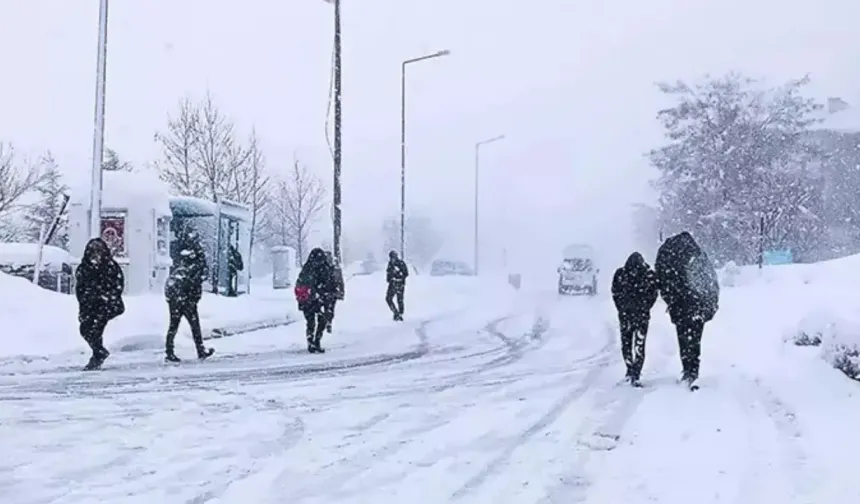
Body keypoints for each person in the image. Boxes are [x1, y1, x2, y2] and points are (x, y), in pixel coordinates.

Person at [654, 231, 720, 390]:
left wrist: (671, 300)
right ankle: (693, 370)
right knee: (695, 339)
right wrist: (711, 305)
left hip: (680, 307)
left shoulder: (669, 257)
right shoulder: (698, 255)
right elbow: (711, 281)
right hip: (699, 306)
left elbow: (662, 282)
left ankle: (687, 368)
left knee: (684, 338)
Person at [75, 237, 125, 370]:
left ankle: (97, 356)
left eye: (98, 252)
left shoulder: (111, 267)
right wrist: (83, 305)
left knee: (96, 329)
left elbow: (118, 286)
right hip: (89, 305)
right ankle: (99, 352)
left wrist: (108, 298)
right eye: (93, 252)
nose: (95, 256)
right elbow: (79, 289)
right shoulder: (83, 268)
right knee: (85, 329)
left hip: (106, 305)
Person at [164, 230, 214, 362]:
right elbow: (200, 276)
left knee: (174, 324)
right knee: (194, 325)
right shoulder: (196, 259)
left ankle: (169, 351)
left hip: (177, 296)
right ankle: (200, 350)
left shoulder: (181, 254)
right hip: (187, 297)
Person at [611, 252, 658, 387]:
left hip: (625, 316)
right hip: (641, 316)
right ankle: (636, 372)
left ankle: (630, 368)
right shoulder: (649, 275)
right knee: (639, 344)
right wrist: (646, 307)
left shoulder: (621, 274)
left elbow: (615, 292)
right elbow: (654, 294)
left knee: (626, 343)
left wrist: (621, 308)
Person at [295, 248, 336, 353]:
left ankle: (311, 341)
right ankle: (316, 340)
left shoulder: (307, 268)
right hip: (318, 299)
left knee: (311, 322)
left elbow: (300, 284)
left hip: (309, 300)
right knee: (321, 320)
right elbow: (330, 283)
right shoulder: (324, 268)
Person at [323, 250, 345, 333]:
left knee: (329, 308)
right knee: (329, 308)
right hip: (328, 292)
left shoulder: (335, 268)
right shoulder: (334, 268)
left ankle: (328, 322)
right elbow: (340, 281)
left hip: (329, 292)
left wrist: (341, 292)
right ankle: (328, 322)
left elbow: (340, 281)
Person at [385, 250, 409, 321]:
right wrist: (390, 278)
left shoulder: (401, 263)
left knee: (400, 299)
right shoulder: (390, 264)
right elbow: (388, 274)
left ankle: (400, 314)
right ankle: (396, 313)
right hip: (393, 284)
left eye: (393, 257)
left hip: (399, 284)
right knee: (389, 299)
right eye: (391, 257)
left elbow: (406, 273)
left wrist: (398, 275)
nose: (392, 259)